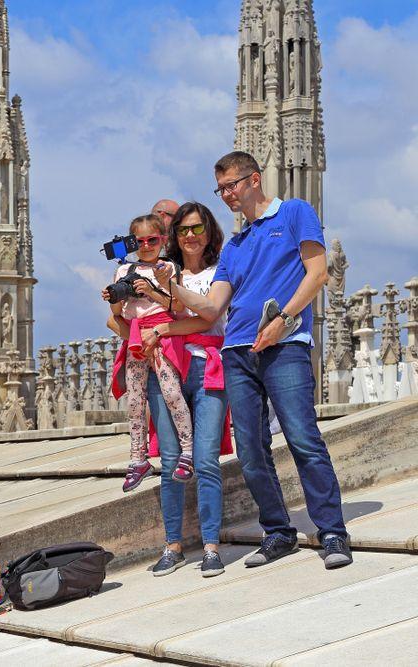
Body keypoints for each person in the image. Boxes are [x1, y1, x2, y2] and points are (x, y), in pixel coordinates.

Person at [153, 150, 352, 570]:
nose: (225, 195)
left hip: (284, 344)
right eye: (219, 188)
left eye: (231, 185)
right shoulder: (235, 246)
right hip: (237, 353)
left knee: (301, 436)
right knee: (250, 449)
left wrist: (283, 319)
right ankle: (278, 532)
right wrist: (172, 286)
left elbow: (318, 274)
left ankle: (332, 531)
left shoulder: (295, 213)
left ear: (255, 180)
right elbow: (210, 309)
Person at [121, 202, 231, 578]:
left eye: (196, 229)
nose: (188, 236)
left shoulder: (221, 270)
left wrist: (163, 327)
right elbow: (119, 319)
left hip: (204, 368)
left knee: (203, 460)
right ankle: (173, 545)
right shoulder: (161, 271)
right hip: (163, 366)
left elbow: (209, 316)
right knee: (169, 462)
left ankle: (212, 546)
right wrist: (133, 321)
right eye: (182, 229)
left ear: (209, 232)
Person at [104, 214, 194, 492]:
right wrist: (114, 297)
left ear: (163, 241)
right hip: (134, 336)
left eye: (152, 240)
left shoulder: (168, 268)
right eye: (139, 241)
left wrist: (151, 290)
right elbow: (116, 315)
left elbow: (177, 306)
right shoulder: (123, 271)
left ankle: (188, 452)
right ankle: (137, 458)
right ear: (132, 243)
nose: (146, 245)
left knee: (171, 392)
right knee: (134, 400)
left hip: (162, 334)